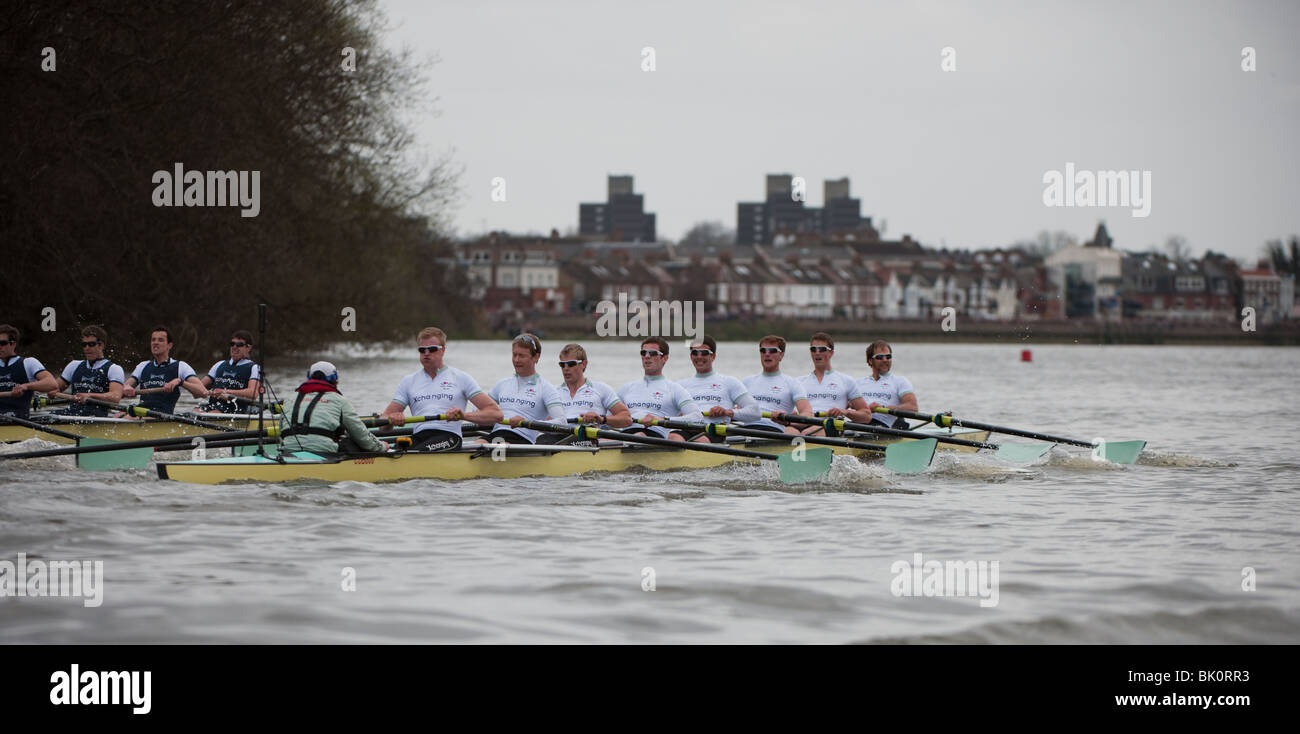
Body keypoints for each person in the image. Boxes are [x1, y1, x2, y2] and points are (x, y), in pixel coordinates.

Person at [380, 326, 503, 451]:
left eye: (432, 349)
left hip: (449, 436)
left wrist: (463, 415)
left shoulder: (461, 378)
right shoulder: (408, 381)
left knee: (415, 453)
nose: (426, 353)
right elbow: (383, 424)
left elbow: (496, 414)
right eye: (422, 350)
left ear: (443, 350)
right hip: (419, 437)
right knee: (394, 451)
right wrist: (391, 420)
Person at [279, 361, 387, 455]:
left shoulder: (289, 398)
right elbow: (360, 433)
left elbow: (281, 432)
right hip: (324, 452)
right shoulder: (339, 400)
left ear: (309, 377)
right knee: (350, 442)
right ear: (334, 379)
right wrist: (382, 447)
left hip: (288, 451)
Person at [483, 334, 567, 445]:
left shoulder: (546, 388)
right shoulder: (502, 384)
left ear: (536, 357)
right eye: (514, 355)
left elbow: (562, 422)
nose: (516, 360)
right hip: (495, 435)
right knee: (474, 445)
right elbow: (479, 411)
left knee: (497, 447)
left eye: (522, 356)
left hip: (522, 439)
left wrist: (527, 423)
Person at [616, 337, 703, 442]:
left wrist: (662, 419)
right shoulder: (626, 388)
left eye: (652, 353)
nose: (647, 356)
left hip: (655, 437)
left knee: (640, 434)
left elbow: (697, 418)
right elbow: (607, 419)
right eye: (643, 353)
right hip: (624, 436)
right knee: (601, 439)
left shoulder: (675, 389)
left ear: (664, 358)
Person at [676, 334, 760, 443]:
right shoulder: (680, 385)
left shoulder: (729, 382)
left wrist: (727, 412)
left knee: (699, 441)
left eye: (704, 353)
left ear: (713, 356)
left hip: (715, 429)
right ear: (691, 356)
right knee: (673, 438)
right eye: (695, 353)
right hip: (688, 428)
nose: (699, 356)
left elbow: (755, 412)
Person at [544, 342, 631, 444]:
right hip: (558, 436)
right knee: (541, 440)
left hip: (587, 436)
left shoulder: (601, 388)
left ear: (584, 364)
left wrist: (601, 419)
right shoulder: (552, 392)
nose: (566, 368)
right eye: (562, 365)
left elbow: (626, 418)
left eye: (571, 364)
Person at [122, 325, 209, 414]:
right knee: (118, 414)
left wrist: (180, 382)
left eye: (160, 340)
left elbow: (203, 392)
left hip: (161, 416)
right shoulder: (143, 366)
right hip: (141, 412)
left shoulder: (181, 367)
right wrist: (126, 388)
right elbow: (122, 391)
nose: (155, 343)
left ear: (169, 345)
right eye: (153, 340)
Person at [741, 335, 812, 434]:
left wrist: (788, 421)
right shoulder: (746, 382)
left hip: (774, 432)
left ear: (781, 355)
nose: (767, 354)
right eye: (763, 351)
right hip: (745, 431)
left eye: (772, 351)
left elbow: (808, 414)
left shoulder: (792, 383)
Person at [799, 332, 868, 435]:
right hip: (804, 424)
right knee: (789, 431)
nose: (817, 353)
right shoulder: (799, 382)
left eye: (822, 349)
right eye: (813, 349)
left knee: (807, 432)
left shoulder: (846, 381)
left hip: (831, 426)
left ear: (831, 353)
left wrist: (845, 412)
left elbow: (866, 415)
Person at [52, 326, 125, 416]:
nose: (87, 348)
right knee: (49, 416)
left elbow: (116, 397)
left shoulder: (113, 369)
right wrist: (52, 391)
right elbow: (55, 388)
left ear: (101, 345)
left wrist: (90, 396)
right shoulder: (74, 365)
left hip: (97, 418)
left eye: (91, 344)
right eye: (84, 345)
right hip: (73, 414)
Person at [845, 340, 918, 429]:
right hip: (859, 423)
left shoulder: (900, 381)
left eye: (888, 356)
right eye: (880, 357)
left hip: (884, 427)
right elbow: (841, 404)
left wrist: (883, 408)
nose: (885, 360)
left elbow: (913, 407)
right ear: (870, 361)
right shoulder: (858, 383)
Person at [0, 324, 58, 420]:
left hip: (18, 421)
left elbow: (52, 384)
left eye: (2, 343)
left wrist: (26, 386)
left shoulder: (28, 363)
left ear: (13, 344)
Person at [201, 330, 261, 413]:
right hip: (213, 406)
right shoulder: (219, 364)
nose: (234, 347)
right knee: (196, 411)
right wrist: (182, 382)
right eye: (232, 344)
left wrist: (225, 392)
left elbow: (253, 393)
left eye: (239, 345)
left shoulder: (254, 368)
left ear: (248, 348)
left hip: (235, 409)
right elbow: (200, 386)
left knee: (212, 413)